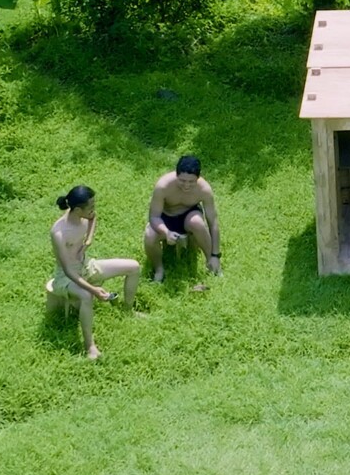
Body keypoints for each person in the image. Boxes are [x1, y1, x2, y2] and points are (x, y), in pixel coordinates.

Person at [46, 186, 143, 360]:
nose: (94, 209)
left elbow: (93, 217)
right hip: (65, 277)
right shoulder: (59, 232)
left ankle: (128, 310)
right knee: (86, 295)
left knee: (134, 266)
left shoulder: (84, 215)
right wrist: (93, 290)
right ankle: (89, 346)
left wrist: (88, 241)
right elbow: (68, 271)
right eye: (90, 206)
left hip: (87, 266)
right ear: (77, 209)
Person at [144, 153, 222, 287]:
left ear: (198, 178)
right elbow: (154, 217)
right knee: (149, 236)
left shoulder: (204, 190)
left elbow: (213, 222)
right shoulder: (163, 186)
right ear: (176, 174)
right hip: (165, 217)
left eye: (191, 181)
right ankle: (159, 269)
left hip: (189, 216)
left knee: (198, 223)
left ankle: (211, 262)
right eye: (182, 180)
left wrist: (216, 255)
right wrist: (166, 232)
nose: (186, 185)